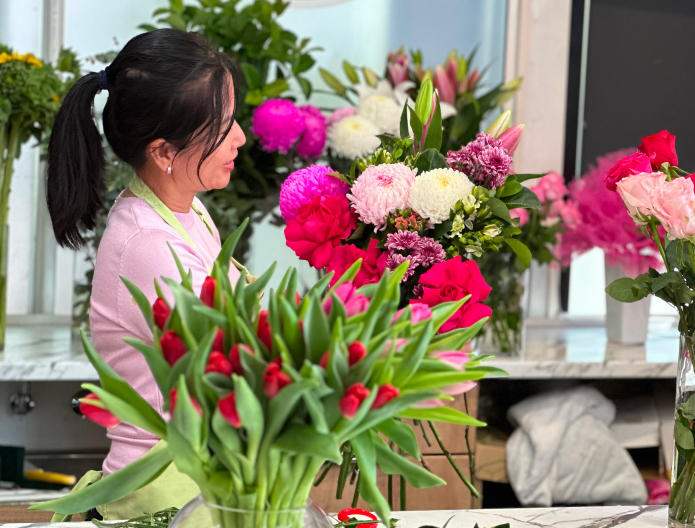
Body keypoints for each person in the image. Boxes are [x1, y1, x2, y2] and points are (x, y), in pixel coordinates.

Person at [45, 28, 246, 520]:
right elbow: (238, 359)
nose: (239, 137)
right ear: (162, 152)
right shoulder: (149, 245)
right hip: (163, 494)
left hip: (200, 480)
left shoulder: (186, 213)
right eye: (222, 127)